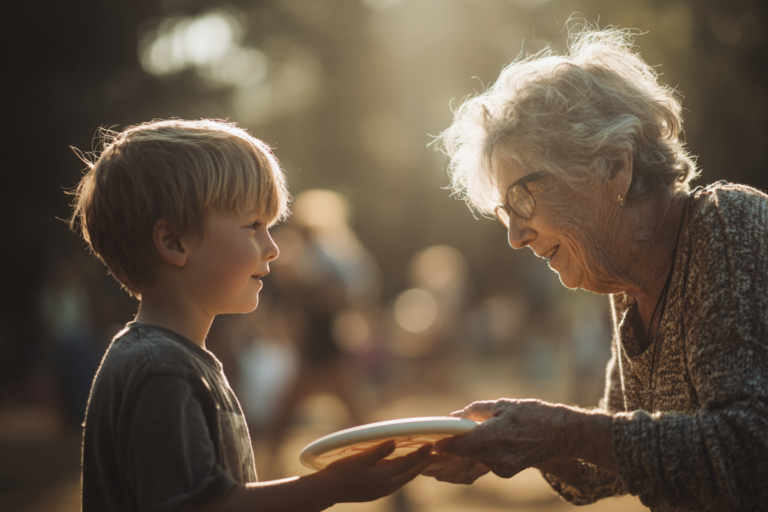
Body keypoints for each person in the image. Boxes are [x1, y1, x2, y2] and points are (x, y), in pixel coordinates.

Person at [422, 26, 768, 511]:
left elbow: (747, 453)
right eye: (505, 210)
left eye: (522, 197)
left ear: (614, 167)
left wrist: (562, 431)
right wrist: (509, 443)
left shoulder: (728, 225)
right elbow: (609, 464)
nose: (515, 235)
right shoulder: (627, 281)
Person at [69, 119, 432, 512]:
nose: (273, 247)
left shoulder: (171, 359)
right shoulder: (162, 368)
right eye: (254, 226)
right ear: (174, 242)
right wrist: (329, 488)